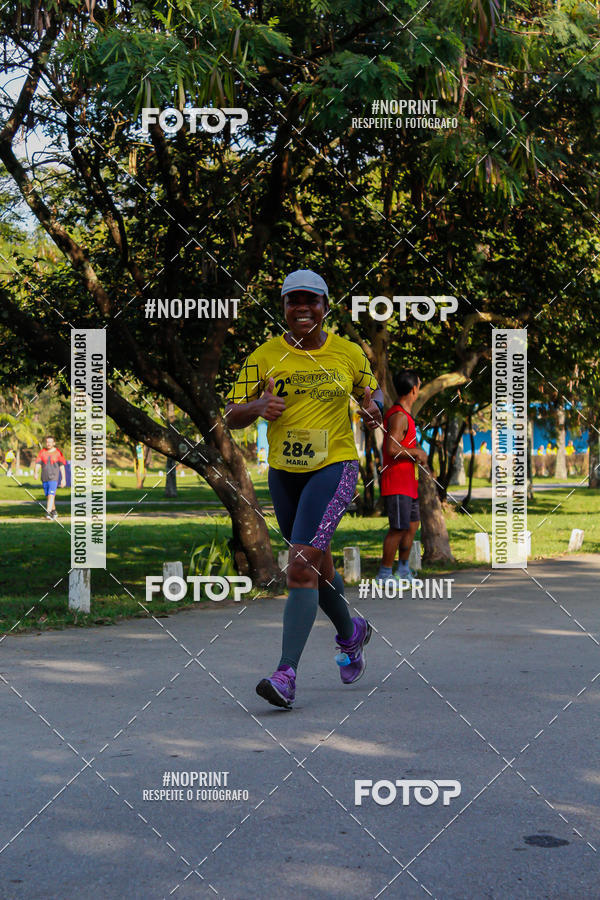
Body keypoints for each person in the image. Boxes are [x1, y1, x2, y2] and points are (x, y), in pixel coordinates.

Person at [225, 269, 384, 709]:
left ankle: (285, 674)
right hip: (284, 473)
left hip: (334, 466)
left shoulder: (348, 353)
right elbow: (231, 414)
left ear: (325, 305)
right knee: (317, 568)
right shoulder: (264, 356)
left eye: (311, 300)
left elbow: (375, 396)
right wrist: (258, 406)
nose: (302, 308)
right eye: (293, 300)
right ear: (283, 306)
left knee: (298, 566)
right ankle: (352, 634)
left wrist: (373, 408)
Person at [376, 370, 429, 585]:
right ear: (414, 389)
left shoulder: (406, 416)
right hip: (397, 483)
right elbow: (391, 448)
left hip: (409, 483)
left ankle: (403, 570)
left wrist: (415, 455)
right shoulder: (398, 416)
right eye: (419, 385)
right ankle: (384, 574)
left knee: (412, 525)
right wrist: (416, 452)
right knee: (398, 528)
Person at [34, 436, 66, 519]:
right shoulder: (42, 452)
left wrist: (63, 479)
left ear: (54, 443)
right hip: (44, 478)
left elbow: (62, 466)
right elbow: (38, 463)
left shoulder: (58, 453)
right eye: (47, 442)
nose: (48, 444)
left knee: (51, 495)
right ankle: (54, 511)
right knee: (49, 496)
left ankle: (48, 512)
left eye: (50, 442)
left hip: (54, 478)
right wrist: (36, 473)